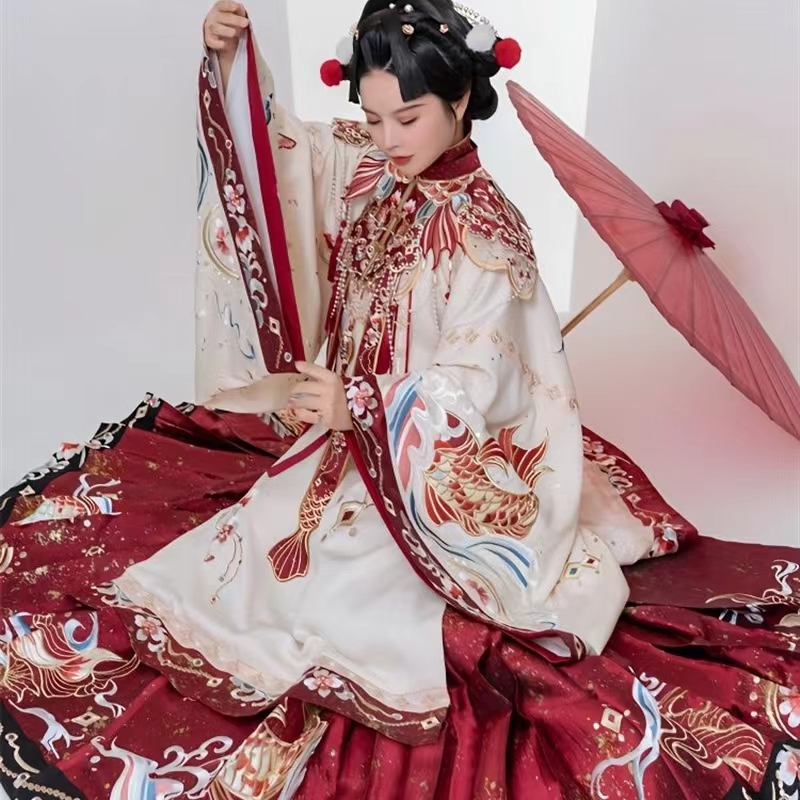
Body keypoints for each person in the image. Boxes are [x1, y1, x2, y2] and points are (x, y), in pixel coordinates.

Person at [2, 1, 800, 797]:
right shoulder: (377, 169)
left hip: (430, 464)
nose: (387, 139)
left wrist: (361, 403)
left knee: (347, 599)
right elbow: (281, 160)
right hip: (354, 445)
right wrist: (234, 65)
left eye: (408, 118)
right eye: (372, 117)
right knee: (243, 556)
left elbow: (481, 386)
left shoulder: (489, 237)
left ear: (460, 100)